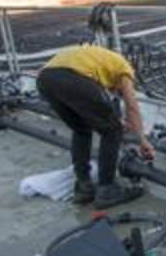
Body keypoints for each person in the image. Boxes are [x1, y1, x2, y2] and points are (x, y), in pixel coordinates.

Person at [36, 45, 155, 208]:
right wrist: (142, 140)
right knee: (112, 131)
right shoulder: (124, 69)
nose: (115, 93)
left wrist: (112, 119)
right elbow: (131, 107)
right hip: (71, 78)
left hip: (45, 80)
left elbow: (94, 106)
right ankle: (107, 189)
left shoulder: (100, 63)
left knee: (81, 129)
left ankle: (84, 186)